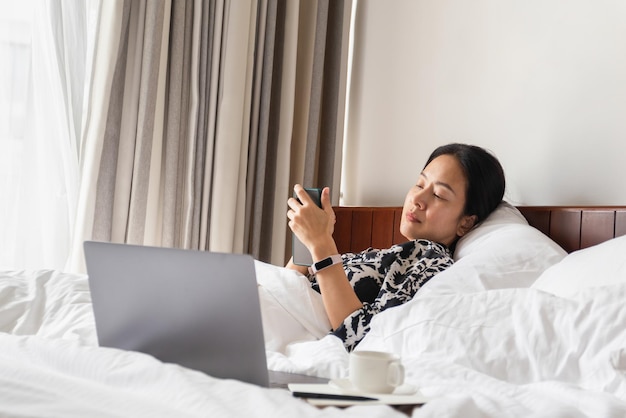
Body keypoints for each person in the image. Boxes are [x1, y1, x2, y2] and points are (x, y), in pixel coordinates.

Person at [286, 143, 506, 351]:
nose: (418, 198)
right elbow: (287, 284)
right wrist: (309, 240)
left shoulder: (431, 262)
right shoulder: (385, 255)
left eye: (438, 195)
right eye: (420, 184)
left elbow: (364, 337)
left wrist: (322, 244)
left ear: (466, 222)